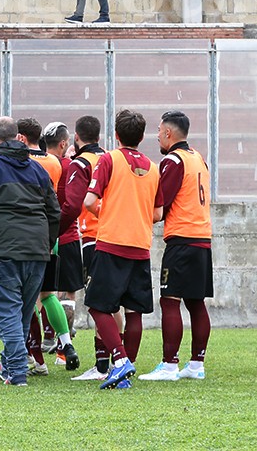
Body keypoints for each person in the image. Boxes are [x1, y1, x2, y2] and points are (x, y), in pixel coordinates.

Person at [0, 115, 59, 387]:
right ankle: (8, 362)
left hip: (2, 252)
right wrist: (46, 244)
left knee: (6, 313)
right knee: (21, 315)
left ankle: (16, 372)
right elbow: (54, 212)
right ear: (19, 138)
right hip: (36, 253)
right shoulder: (39, 171)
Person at [82, 109, 163, 389]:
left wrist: (111, 211)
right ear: (142, 137)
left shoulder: (109, 159)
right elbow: (158, 213)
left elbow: (90, 202)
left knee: (97, 306)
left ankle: (120, 361)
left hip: (112, 243)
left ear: (115, 135)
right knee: (133, 312)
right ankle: (125, 369)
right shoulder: (153, 167)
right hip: (140, 246)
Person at [139, 110, 213, 381]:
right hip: (202, 237)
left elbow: (161, 202)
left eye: (159, 131)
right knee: (196, 302)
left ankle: (169, 365)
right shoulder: (198, 158)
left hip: (181, 239)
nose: (157, 135)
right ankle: (197, 364)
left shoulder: (173, 160)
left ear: (168, 133)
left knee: (169, 300)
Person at [26, 120, 78, 371]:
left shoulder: (23, 162)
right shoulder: (56, 164)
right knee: (48, 295)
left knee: (26, 298)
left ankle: (34, 356)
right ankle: (65, 344)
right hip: (51, 236)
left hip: (26, 235)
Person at [61, 114, 109, 379]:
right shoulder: (110, 158)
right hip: (113, 234)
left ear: (76, 138)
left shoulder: (80, 163)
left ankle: (103, 364)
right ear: (99, 137)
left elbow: (73, 204)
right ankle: (118, 357)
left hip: (91, 237)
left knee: (96, 302)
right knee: (114, 304)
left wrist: (52, 231)